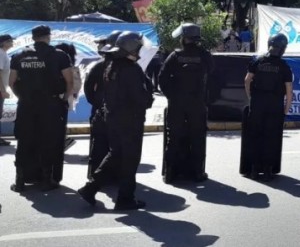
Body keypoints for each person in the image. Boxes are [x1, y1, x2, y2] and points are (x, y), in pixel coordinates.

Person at [77, 32, 152, 210]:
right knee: (130, 160)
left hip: (113, 117)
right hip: (130, 120)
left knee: (115, 154)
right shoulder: (131, 69)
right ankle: (125, 199)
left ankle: (91, 187)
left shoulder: (111, 65)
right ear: (132, 48)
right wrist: (148, 100)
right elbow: (140, 97)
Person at [9, 25, 74, 192]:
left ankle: (20, 181)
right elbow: (69, 82)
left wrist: (23, 97)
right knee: (48, 141)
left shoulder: (19, 55)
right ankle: (46, 180)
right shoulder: (59, 55)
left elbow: (12, 82)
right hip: (50, 105)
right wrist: (64, 98)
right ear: (48, 36)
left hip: (26, 105)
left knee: (24, 141)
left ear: (33, 37)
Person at [159, 23, 214, 183]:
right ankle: (197, 173)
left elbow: (162, 78)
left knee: (173, 137)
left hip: (177, 103)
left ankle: (170, 174)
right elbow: (211, 74)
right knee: (197, 137)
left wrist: (171, 96)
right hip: (197, 103)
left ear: (184, 39)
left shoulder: (175, 56)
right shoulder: (204, 55)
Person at [243, 34, 293, 181]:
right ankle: (267, 171)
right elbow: (289, 90)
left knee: (255, 136)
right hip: (275, 105)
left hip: (257, 103)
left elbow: (247, 80)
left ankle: (253, 170)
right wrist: (286, 109)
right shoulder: (284, 66)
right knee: (271, 138)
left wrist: (251, 97)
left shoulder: (257, 60)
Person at [83, 30, 122, 179]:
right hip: (108, 109)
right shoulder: (100, 65)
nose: (99, 47)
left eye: (101, 44)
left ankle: (97, 175)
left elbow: (88, 87)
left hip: (102, 108)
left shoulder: (100, 65)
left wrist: (95, 102)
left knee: (100, 143)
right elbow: (88, 87)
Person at [0, 34, 14, 146]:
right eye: (9, 41)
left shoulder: (3, 53)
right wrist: (2, 90)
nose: (12, 42)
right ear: (3, 42)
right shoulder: (0, 53)